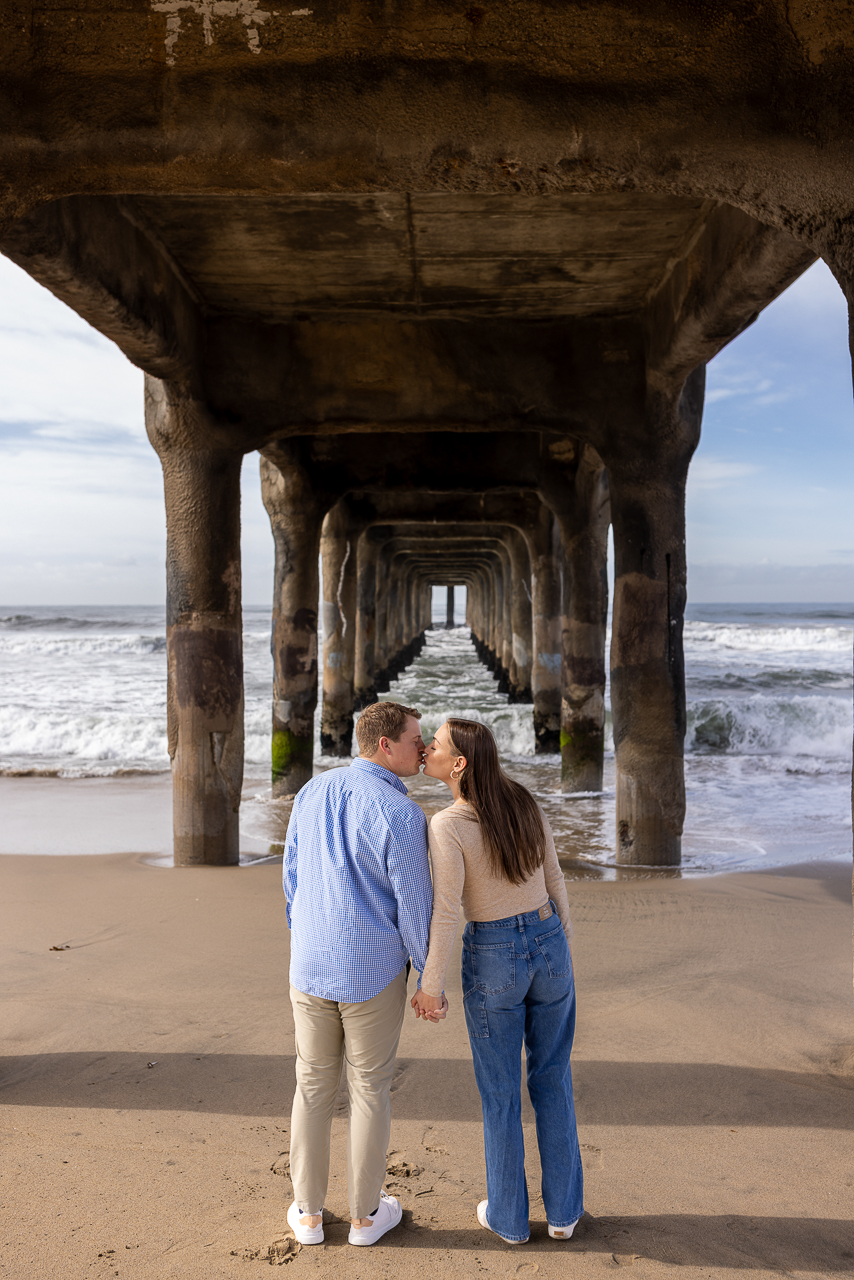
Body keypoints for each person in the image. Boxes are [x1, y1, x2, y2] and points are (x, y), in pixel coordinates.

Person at [414, 718, 583, 1245]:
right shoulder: (523, 801)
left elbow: (446, 913)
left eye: (435, 745)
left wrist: (430, 983)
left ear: (459, 763)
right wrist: (562, 949)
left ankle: (510, 1220)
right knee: (552, 1079)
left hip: (495, 954)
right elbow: (554, 881)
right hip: (548, 940)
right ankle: (563, 1216)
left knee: (501, 1093)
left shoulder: (448, 824)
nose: (425, 748)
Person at [283, 701, 445, 1248]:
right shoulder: (401, 814)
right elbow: (414, 903)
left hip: (309, 964)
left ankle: (307, 1215)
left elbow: (292, 878)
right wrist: (428, 978)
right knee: (370, 1088)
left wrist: (304, 937)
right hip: (371, 969)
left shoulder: (311, 792)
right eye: (415, 739)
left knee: (312, 1084)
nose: (422, 749)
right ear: (385, 745)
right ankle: (365, 1217)